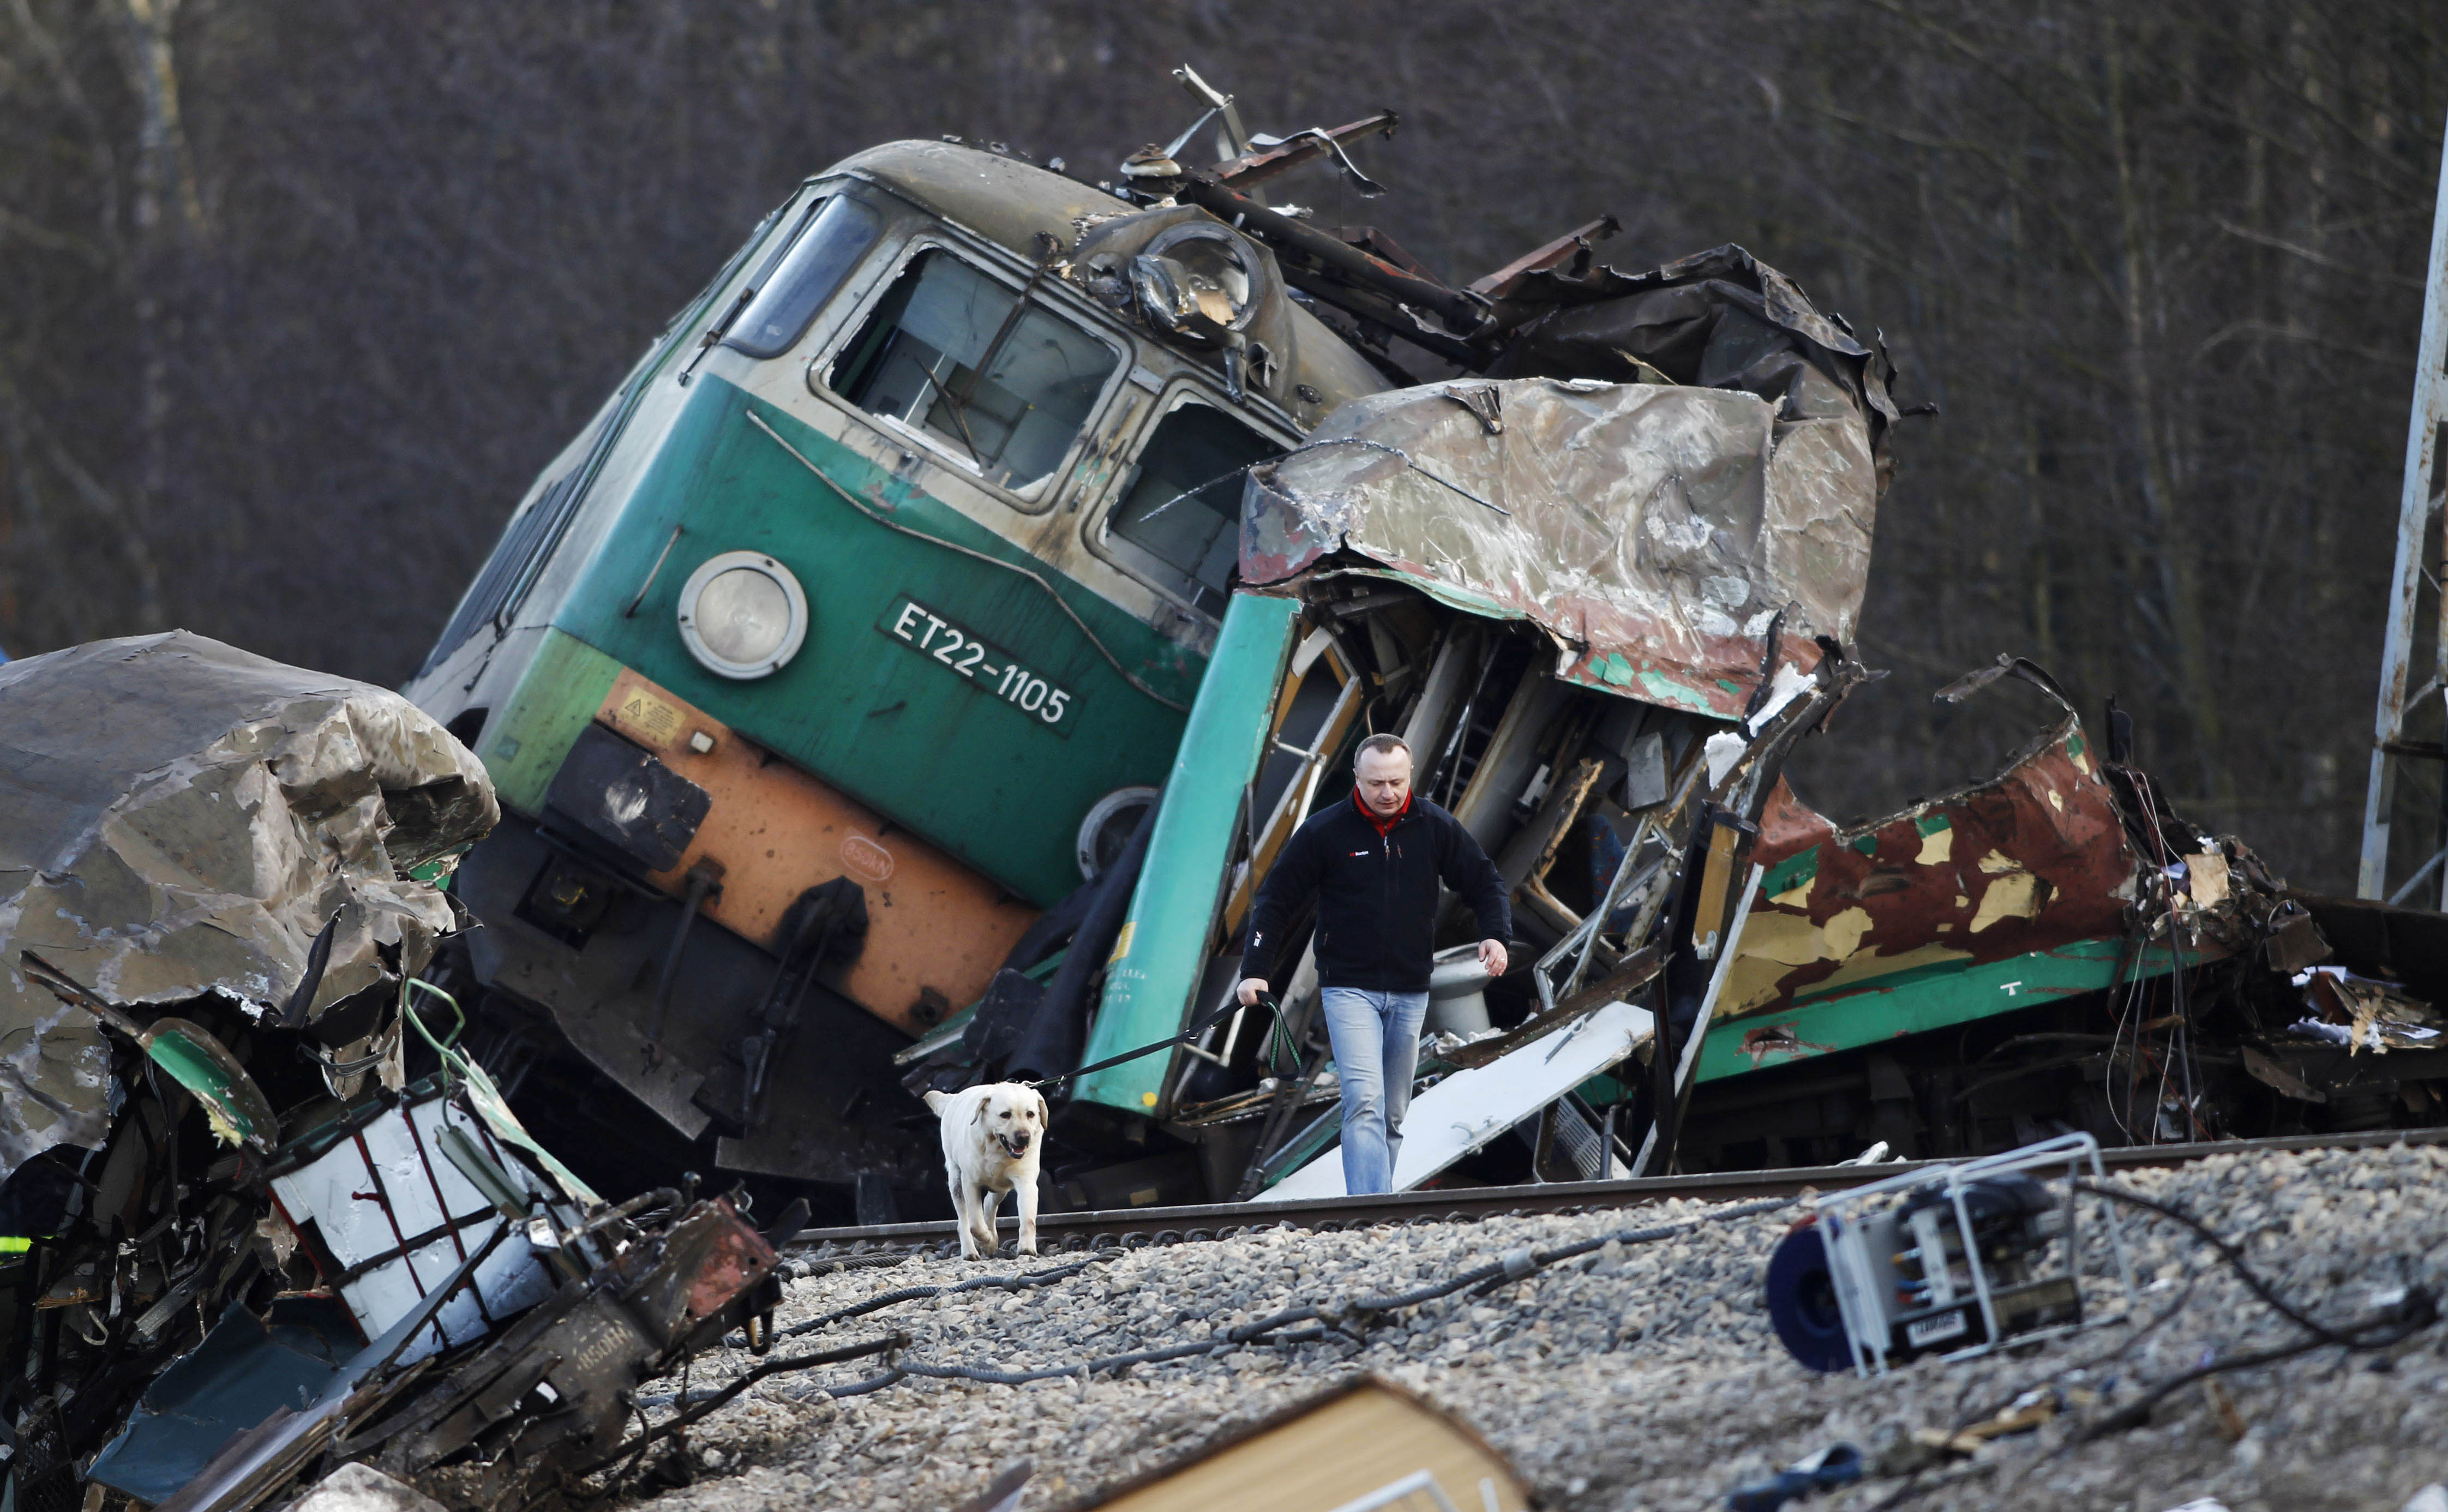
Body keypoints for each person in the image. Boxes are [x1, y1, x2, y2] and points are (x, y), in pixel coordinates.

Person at [1236, 733, 1510, 1195]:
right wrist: (1254, 969)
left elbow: (1485, 880)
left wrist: (1496, 935)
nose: (1388, 793)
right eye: (1377, 783)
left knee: (1394, 1112)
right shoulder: (1326, 832)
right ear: (1357, 779)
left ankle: (1377, 1203)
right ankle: (1371, 1209)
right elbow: (1275, 900)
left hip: (1410, 988)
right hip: (1348, 988)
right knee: (1364, 1099)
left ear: (1410, 777)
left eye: (1397, 783)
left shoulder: (1434, 826)